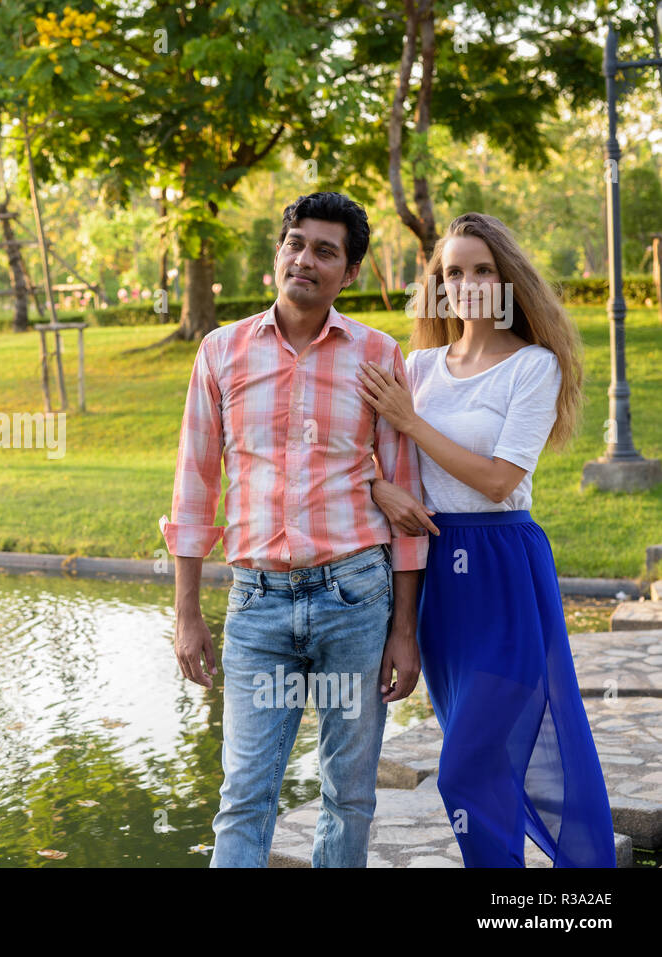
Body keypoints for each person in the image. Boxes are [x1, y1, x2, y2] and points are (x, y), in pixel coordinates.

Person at [160, 191, 430, 868]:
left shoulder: (378, 354)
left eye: (325, 251)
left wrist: (404, 628)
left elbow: (405, 501)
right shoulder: (221, 352)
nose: (305, 259)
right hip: (257, 604)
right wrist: (187, 613)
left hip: (356, 599)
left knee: (349, 794)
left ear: (351, 272)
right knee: (245, 793)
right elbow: (195, 488)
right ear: (278, 252)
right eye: (296, 243)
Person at [358, 211, 616, 867]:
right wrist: (380, 489)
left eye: (482, 269)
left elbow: (500, 480)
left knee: (464, 768)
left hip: (504, 572)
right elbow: (355, 453)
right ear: (438, 284)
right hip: (437, 575)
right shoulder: (416, 366)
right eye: (453, 271)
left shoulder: (534, 367)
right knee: (482, 769)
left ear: (506, 278)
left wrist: (411, 424)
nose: (468, 282)